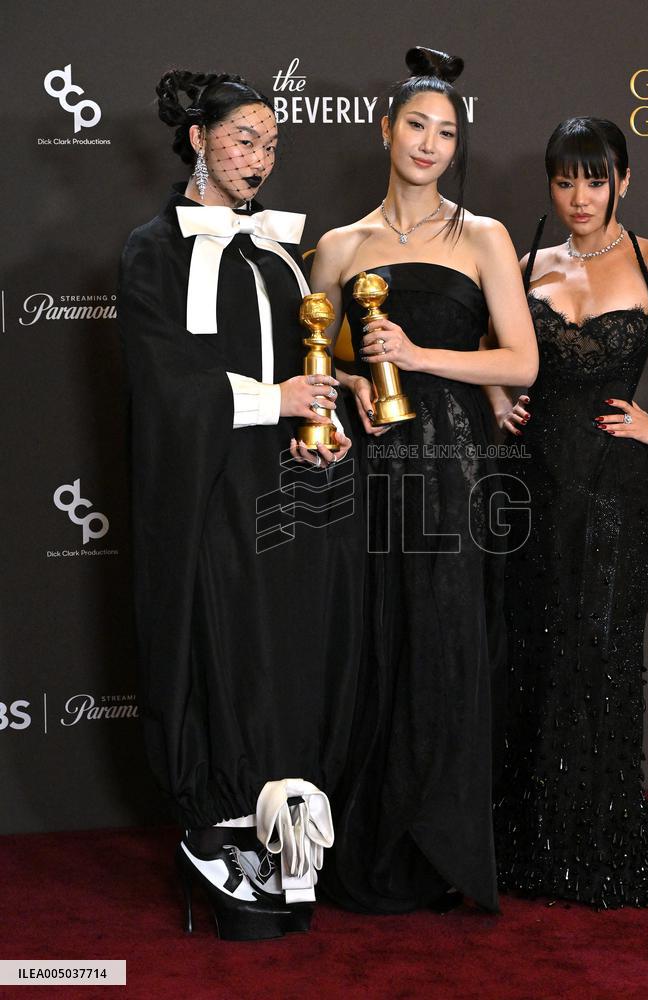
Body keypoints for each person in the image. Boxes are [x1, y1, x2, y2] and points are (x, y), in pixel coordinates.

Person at [117, 70, 363, 939]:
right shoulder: (153, 250)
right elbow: (163, 387)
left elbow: (306, 363)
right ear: (197, 140)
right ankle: (214, 830)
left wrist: (321, 420)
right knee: (221, 642)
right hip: (207, 491)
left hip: (287, 486)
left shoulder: (277, 254)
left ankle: (280, 823)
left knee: (282, 644)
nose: (259, 159)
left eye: (271, 144)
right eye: (243, 140)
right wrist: (274, 401)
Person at [488, 117, 648, 908]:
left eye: (595, 180)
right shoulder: (524, 266)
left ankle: (597, 832)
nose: (579, 197)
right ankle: (533, 833)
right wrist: (498, 398)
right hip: (532, 486)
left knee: (600, 653)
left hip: (616, 492)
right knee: (534, 650)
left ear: (623, 182)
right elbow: (486, 352)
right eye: (565, 181)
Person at [309, 47, 539, 914]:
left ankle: (439, 844)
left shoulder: (482, 236)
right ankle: (365, 839)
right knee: (371, 637)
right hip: (369, 466)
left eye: (446, 132)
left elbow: (520, 361)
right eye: (416, 125)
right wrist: (357, 381)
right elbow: (315, 354)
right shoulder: (339, 245)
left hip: (452, 466)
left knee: (445, 635)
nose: (430, 144)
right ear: (385, 130)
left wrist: (417, 354)